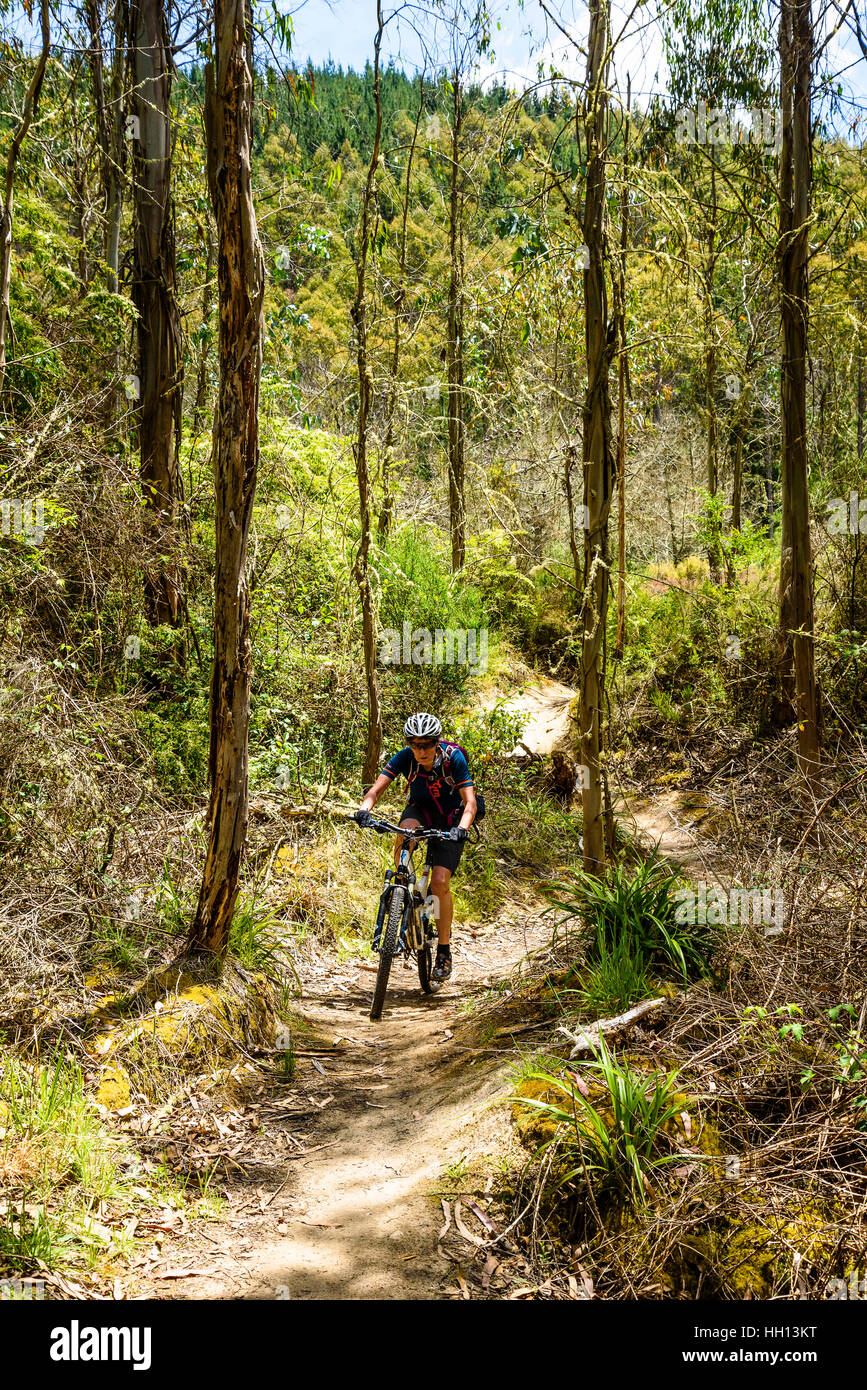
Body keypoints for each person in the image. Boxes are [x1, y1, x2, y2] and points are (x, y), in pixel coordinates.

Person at [354, 712, 477, 984]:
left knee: (440, 882)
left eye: (427, 744)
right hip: (420, 811)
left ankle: (444, 950)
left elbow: (470, 802)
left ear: (437, 742)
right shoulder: (405, 757)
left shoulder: (452, 758)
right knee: (403, 837)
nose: (421, 750)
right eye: (415, 743)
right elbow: (375, 790)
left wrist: (462, 829)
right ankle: (402, 891)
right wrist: (363, 810)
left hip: (450, 820)